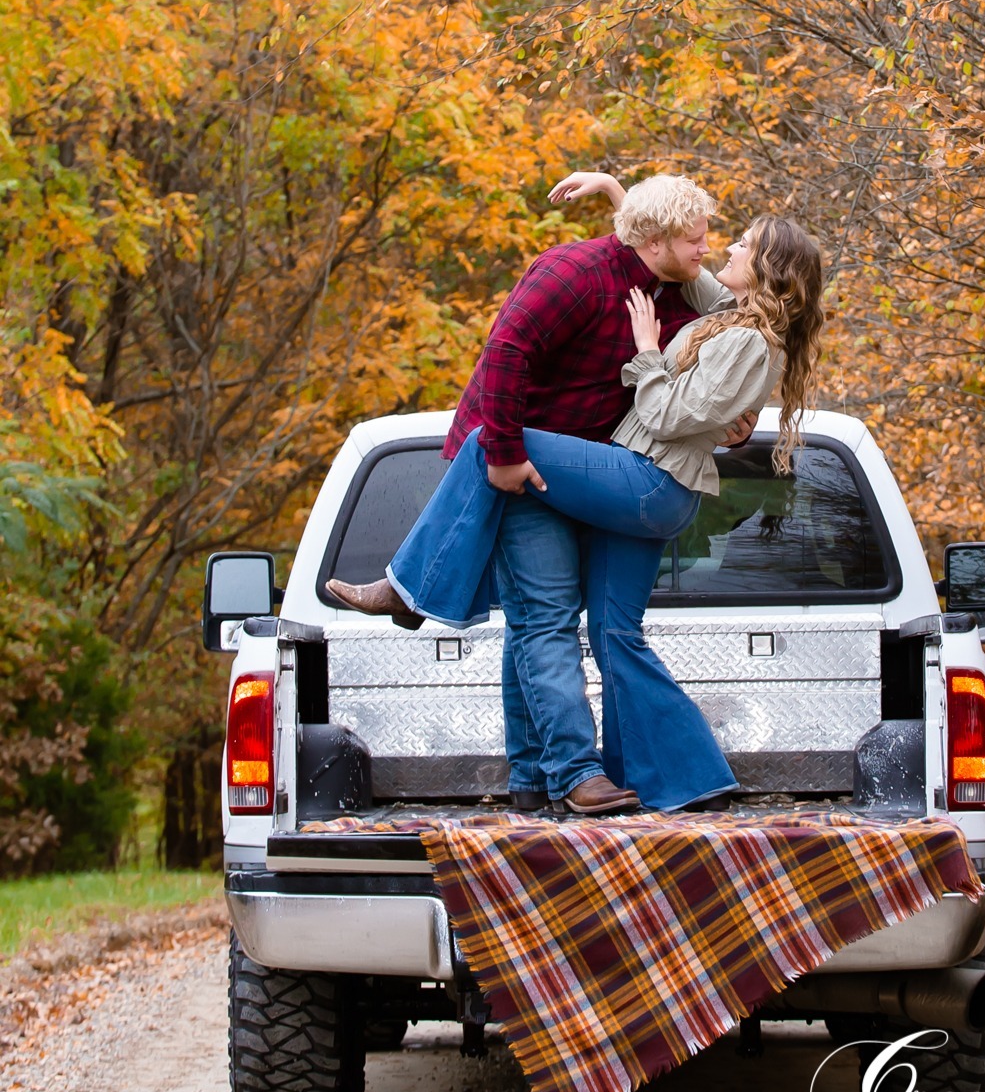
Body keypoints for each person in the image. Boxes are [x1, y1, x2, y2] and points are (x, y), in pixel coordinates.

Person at [329, 178, 825, 813]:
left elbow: (675, 414)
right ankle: (672, 776)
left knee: (492, 444)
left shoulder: (748, 338)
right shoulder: (711, 307)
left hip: (650, 482)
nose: (718, 246)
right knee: (613, 631)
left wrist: (649, 356)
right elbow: (658, 245)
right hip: (631, 477)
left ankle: (408, 586)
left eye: (740, 244)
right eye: (706, 237)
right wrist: (621, 191)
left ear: (769, 274)